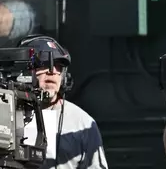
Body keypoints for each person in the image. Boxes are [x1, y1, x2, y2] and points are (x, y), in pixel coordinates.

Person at [19, 35, 109, 169]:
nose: (53, 71)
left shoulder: (82, 123)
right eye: (44, 63)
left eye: (59, 66)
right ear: (24, 71)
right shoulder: (4, 110)